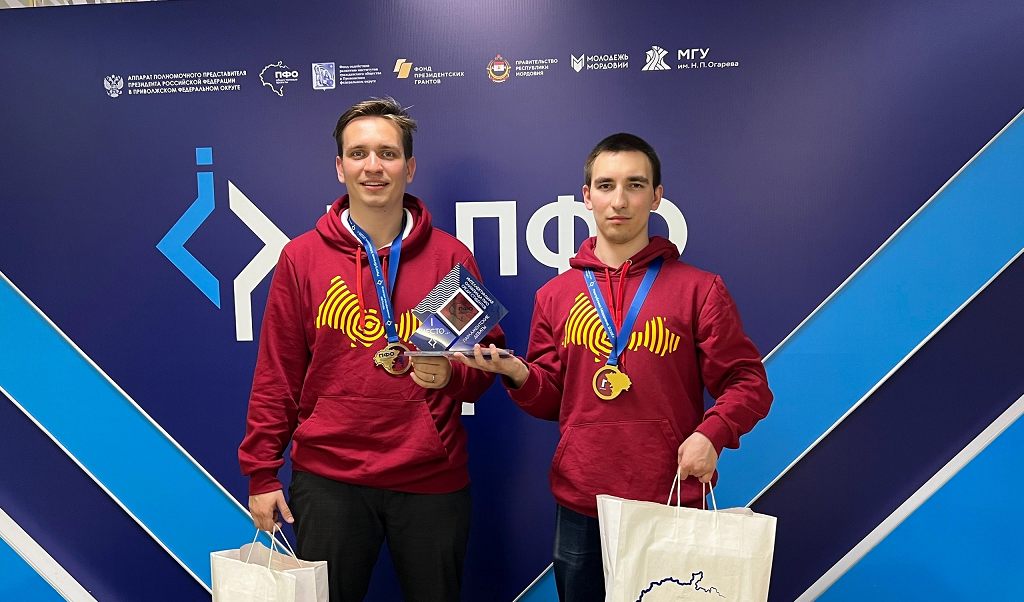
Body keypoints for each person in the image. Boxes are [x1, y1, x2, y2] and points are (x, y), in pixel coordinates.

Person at [456, 133, 773, 602]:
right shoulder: (555, 295)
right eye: (606, 185)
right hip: (582, 503)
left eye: (635, 185)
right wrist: (518, 374)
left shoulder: (699, 289)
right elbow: (552, 399)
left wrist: (712, 434)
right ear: (587, 196)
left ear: (657, 196)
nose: (619, 200)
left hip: (671, 499)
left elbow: (748, 382)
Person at [238, 97, 504, 602]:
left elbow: (485, 363)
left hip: (430, 477)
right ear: (340, 167)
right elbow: (278, 373)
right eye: (358, 154)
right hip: (329, 477)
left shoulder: (449, 258)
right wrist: (262, 471)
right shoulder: (302, 258)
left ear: (410, 167)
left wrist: (453, 376)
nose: (373, 166)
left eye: (387, 153)